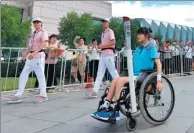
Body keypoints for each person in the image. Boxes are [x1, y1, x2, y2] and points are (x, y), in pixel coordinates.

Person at [91, 27, 163, 120]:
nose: (138, 36)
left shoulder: (151, 48)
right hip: (134, 74)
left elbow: (158, 64)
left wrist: (159, 80)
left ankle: (115, 110)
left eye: (140, 34)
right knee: (115, 80)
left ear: (146, 35)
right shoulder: (137, 49)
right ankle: (107, 105)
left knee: (120, 80)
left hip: (144, 75)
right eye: (138, 34)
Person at [9, 17, 48, 103]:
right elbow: (30, 47)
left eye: (37, 22)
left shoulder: (43, 32)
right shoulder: (34, 33)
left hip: (38, 56)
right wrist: (25, 55)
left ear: (41, 23)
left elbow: (44, 43)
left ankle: (43, 95)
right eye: (34, 22)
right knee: (23, 74)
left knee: (40, 75)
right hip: (31, 56)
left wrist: (35, 53)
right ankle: (18, 94)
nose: (36, 24)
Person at [85, 18, 119, 98]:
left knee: (113, 72)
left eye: (105, 22)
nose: (103, 23)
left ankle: (120, 87)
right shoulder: (103, 33)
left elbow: (113, 42)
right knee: (99, 73)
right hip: (103, 54)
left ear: (108, 23)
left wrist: (102, 46)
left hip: (109, 54)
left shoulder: (110, 31)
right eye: (102, 22)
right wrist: (101, 46)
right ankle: (95, 91)